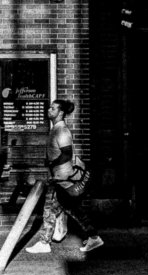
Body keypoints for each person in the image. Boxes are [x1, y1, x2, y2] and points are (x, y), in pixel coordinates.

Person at [26, 98, 104, 254]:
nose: (49, 110)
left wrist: (52, 163)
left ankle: (44, 242)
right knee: (73, 209)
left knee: (49, 209)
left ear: (60, 112)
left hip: (62, 178)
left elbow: (67, 153)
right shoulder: (56, 129)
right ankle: (94, 237)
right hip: (60, 177)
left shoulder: (61, 130)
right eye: (50, 107)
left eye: (53, 108)